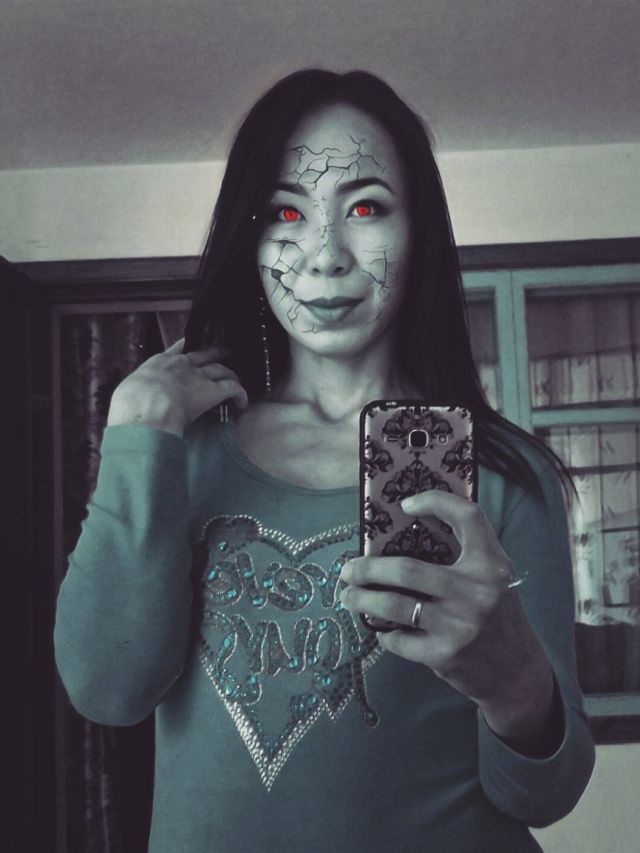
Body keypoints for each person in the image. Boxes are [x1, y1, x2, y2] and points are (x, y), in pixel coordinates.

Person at [54, 69, 595, 853]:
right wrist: (135, 432)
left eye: (366, 207)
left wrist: (513, 677)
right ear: (249, 237)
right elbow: (107, 691)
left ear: (420, 230)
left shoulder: (504, 476)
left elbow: (544, 795)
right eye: (286, 212)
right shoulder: (181, 451)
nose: (326, 254)